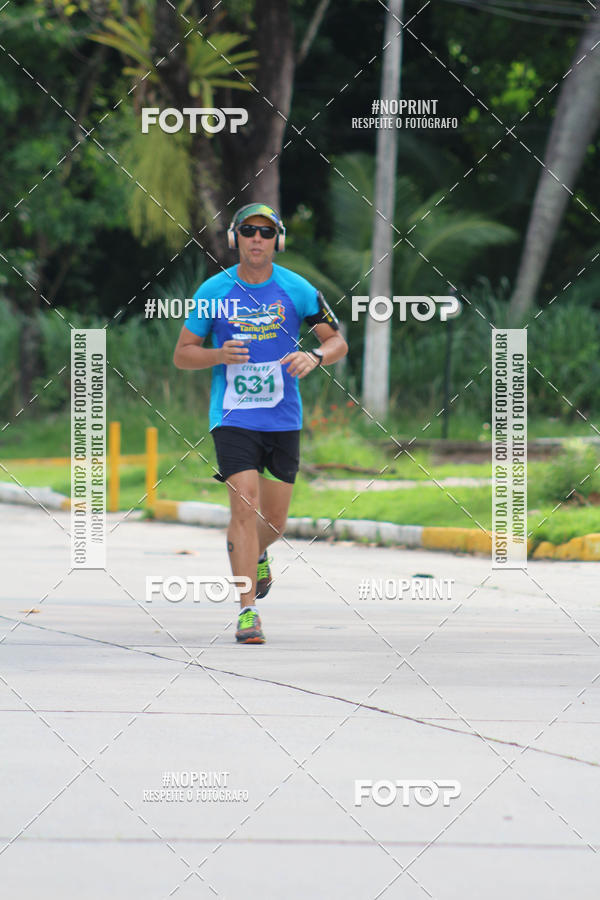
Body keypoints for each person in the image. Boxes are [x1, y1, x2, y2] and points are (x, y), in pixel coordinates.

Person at [173, 202, 348, 643]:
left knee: (274, 522)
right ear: (235, 239)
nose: (257, 239)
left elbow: (337, 340)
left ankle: (256, 557)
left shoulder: (298, 289)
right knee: (243, 505)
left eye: (266, 232)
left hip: (283, 418)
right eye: (248, 230)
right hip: (232, 416)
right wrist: (217, 354)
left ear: (278, 241)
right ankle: (247, 612)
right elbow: (182, 354)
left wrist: (314, 355)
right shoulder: (214, 291)